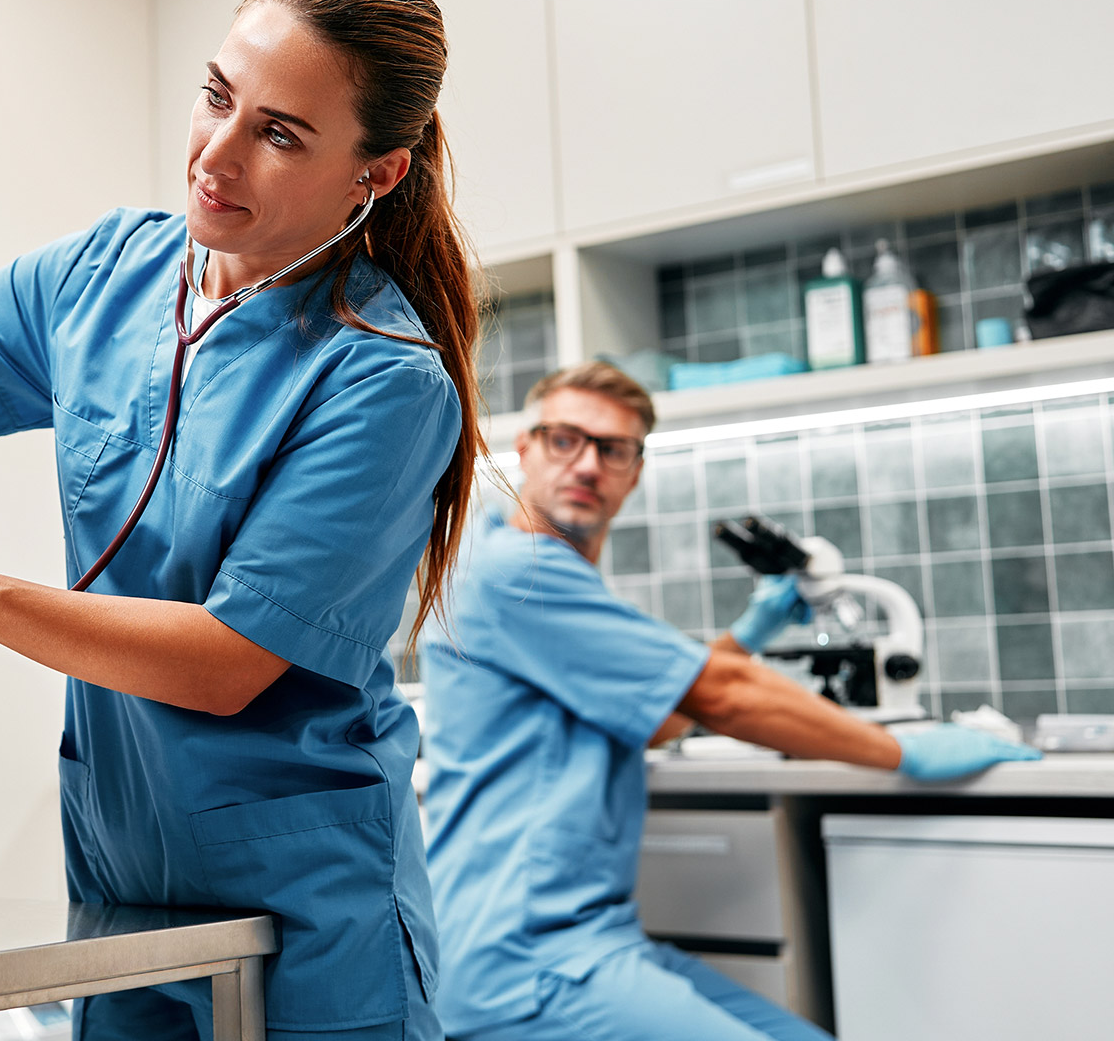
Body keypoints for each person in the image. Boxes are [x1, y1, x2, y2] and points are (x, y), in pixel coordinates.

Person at [0, 0, 477, 1040]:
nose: (216, 156)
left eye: (278, 134)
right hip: (124, 895)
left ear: (375, 173)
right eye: (217, 97)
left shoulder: (382, 380)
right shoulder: (113, 270)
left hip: (304, 923)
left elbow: (226, 664)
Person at [418, 361, 1043, 1041]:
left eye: (613, 448)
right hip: (525, 964)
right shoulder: (518, 572)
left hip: (591, 940)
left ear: (636, 470)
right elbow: (720, 695)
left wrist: (749, 633)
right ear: (526, 449)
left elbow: (658, 717)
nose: (588, 464)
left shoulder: (527, 565)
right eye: (565, 439)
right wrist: (903, 750)